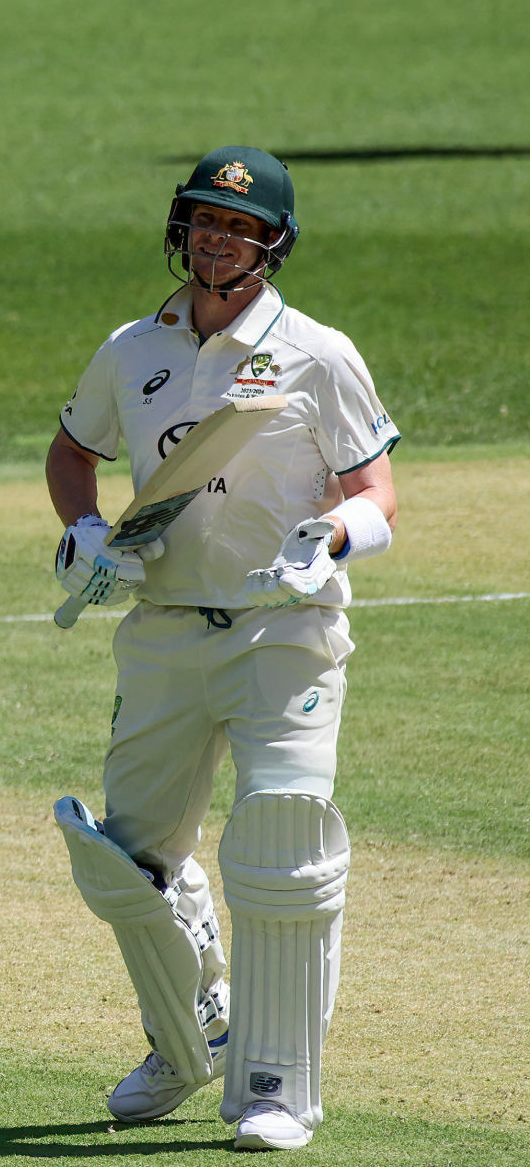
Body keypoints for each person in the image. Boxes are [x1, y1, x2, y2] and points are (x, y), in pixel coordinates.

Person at [44, 147, 398, 1151]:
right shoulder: (129, 349)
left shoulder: (314, 354)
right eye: (204, 220)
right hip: (162, 629)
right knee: (127, 861)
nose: (216, 238)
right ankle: (190, 1027)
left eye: (238, 227)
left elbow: (376, 497)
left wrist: (325, 539)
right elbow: (73, 451)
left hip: (283, 629)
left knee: (281, 841)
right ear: (179, 228)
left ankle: (275, 1089)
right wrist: (79, 532)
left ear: (270, 243)